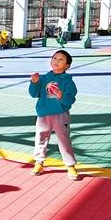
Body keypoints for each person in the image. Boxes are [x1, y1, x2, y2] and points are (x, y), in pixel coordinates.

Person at [28, 50, 78, 180]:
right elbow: (34, 94)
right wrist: (34, 83)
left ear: (67, 65)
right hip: (43, 114)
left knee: (64, 139)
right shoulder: (44, 78)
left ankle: (70, 165)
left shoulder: (68, 82)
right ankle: (39, 162)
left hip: (61, 115)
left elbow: (71, 99)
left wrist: (62, 96)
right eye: (55, 58)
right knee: (40, 138)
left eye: (61, 59)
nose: (56, 61)